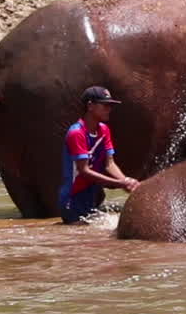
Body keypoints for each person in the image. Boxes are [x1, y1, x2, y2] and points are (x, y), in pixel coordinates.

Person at [57, 85, 140, 224]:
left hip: (91, 196)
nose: (109, 109)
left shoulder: (104, 130)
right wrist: (119, 183)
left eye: (111, 106)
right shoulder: (76, 133)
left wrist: (126, 181)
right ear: (90, 106)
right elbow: (84, 171)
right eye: (105, 105)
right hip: (73, 200)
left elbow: (109, 163)